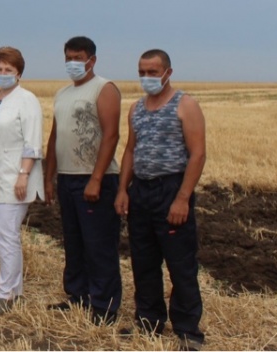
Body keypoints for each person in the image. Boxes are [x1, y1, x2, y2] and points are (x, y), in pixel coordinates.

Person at [115, 50, 206, 351]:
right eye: (143, 71)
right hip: (141, 191)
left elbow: (197, 154)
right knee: (143, 261)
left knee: (180, 263)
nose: (147, 77)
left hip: (171, 189)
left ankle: (187, 330)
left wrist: (182, 198)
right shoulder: (137, 109)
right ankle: (149, 321)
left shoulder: (185, 104)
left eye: (153, 72)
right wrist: (122, 189)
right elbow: (130, 150)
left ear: (168, 72)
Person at [44, 36, 122, 324]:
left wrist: (97, 178)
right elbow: (55, 137)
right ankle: (77, 297)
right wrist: (49, 178)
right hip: (66, 178)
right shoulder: (62, 94)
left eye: (78, 57)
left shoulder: (104, 89)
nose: (73, 63)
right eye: (68, 57)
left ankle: (105, 307)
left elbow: (111, 135)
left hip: (95, 180)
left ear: (92, 60)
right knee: (74, 242)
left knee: (99, 245)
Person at [0, 47, 44, 314]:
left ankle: (7, 295)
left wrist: (23, 174)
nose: (3, 74)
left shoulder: (27, 100)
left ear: (19, 73)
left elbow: (32, 142)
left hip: (15, 180)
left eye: (8, 70)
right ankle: (11, 289)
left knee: (8, 237)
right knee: (4, 236)